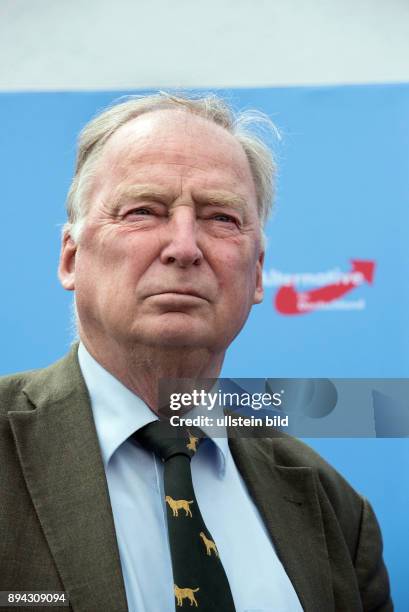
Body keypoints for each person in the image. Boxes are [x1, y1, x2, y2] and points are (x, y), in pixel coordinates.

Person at [0, 92, 392, 612]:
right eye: (144, 211)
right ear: (71, 257)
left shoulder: (333, 509)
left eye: (221, 218)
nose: (184, 246)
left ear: (256, 274)